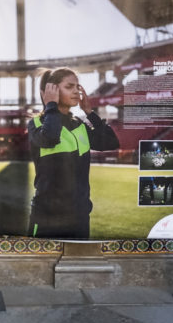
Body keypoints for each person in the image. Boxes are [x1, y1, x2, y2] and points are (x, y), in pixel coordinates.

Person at [27, 67, 119, 239]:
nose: (76, 91)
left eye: (77, 86)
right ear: (51, 91)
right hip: (47, 218)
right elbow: (51, 137)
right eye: (69, 87)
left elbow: (111, 142)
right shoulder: (36, 123)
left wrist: (90, 113)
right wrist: (51, 106)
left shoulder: (80, 124)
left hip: (79, 218)